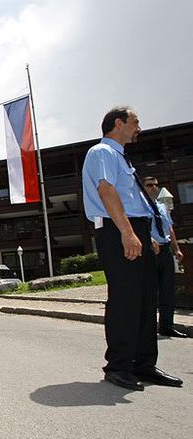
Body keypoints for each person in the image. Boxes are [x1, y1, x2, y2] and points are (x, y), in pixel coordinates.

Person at [82, 106, 182, 391]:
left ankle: (144, 365)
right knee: (126, 299)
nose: (139, 127)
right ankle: (119, 366)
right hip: (116, 229)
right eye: (135, 121)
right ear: (118, 123)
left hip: (133, 228)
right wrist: (127, 232)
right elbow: (107, 191)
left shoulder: (121, 158)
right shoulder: (101, 152)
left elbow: (132, 201)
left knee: (146, 299)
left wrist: (143, 234)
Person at [143, 176, 187, 338]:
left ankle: (166, 326)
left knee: (168, 289)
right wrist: (149, 240)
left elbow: (169, 229)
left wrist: (177, 249)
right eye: (149, 185)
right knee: (151, 290)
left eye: (155, 185)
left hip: (165, 250)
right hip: (151, 251)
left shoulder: (162, 207)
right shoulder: (140, 207)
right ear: (144, 187)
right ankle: (148, 328)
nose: (154, 188)